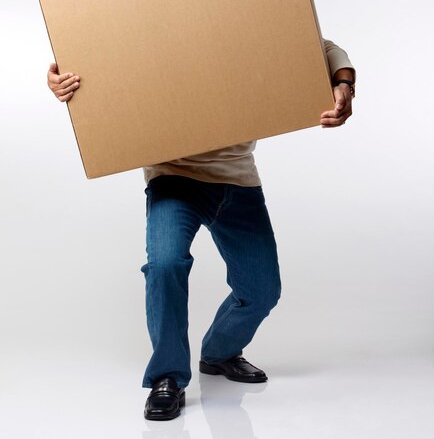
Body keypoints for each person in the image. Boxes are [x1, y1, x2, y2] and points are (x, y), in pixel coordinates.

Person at [47, 38, 356, 421]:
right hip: (172, 177)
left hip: (237, 178)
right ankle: (167, 378)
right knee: (164, 264)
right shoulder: (155, 22)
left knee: (261, 290)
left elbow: (316, 43)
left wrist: (344, 83)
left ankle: (220, 353)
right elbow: (99, 56)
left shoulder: (241, 17)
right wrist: (60, 80)